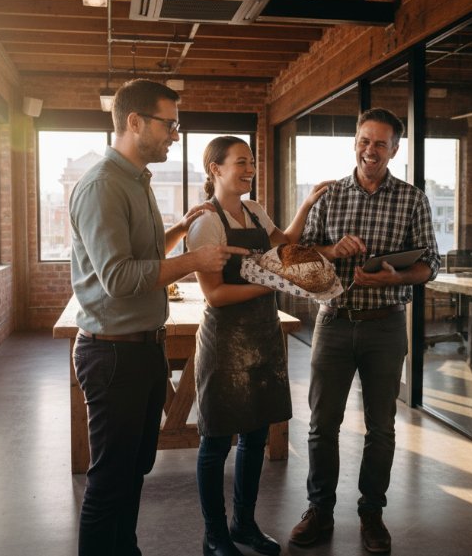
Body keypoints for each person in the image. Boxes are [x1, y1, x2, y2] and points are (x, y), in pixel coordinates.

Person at [68, 80, 249, 556]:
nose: (174, 134)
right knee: (110, 482)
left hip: (141, 348)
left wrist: (181, 230)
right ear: (134, 122)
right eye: (169, 124)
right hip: (112, 355)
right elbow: (119, 277)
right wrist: (195, 260)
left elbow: (141, 254)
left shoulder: (135, 179)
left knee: (133, 472)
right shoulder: (104, 185)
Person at [289, 108, 440, 554]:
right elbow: (299, 255)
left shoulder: (413, 199)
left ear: (394, 150)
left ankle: (372, 513)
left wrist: (395, 277)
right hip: (333, 323)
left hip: (386, 327)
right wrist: (333, 250)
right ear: (355, 142)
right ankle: (319, 510)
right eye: (363, 140)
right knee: (321, 426)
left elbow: (431, 263)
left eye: (380, 143)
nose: (369, 150)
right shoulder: (330, 196)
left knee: (382, 429)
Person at [187, 136, 331, 556]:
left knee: (254, 435)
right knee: (215, 442)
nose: (249, 169)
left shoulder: (253, 209)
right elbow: (214, 295)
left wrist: (305, 207)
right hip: (224, 342)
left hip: (262, 336)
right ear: (215, 169)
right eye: (240, 163)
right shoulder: (205, 223)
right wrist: (274, 281)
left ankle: (243, 525)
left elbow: (282, 246)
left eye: (251, 162)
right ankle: (214, 535)